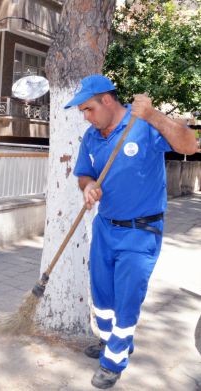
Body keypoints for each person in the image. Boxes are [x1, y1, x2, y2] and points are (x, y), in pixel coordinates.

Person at [65, 74, 198, 389]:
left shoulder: (143, 126)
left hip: (141, 231)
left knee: (126, 300)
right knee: (102, 296)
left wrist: (152, 115)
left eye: (88, 109)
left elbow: (190, 145)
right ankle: (112, 341)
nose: (85, 116)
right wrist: (88, 188)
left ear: (107, 101)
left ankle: (113, 362)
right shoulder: (92, 137)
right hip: (105, 227)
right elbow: (84, 174)